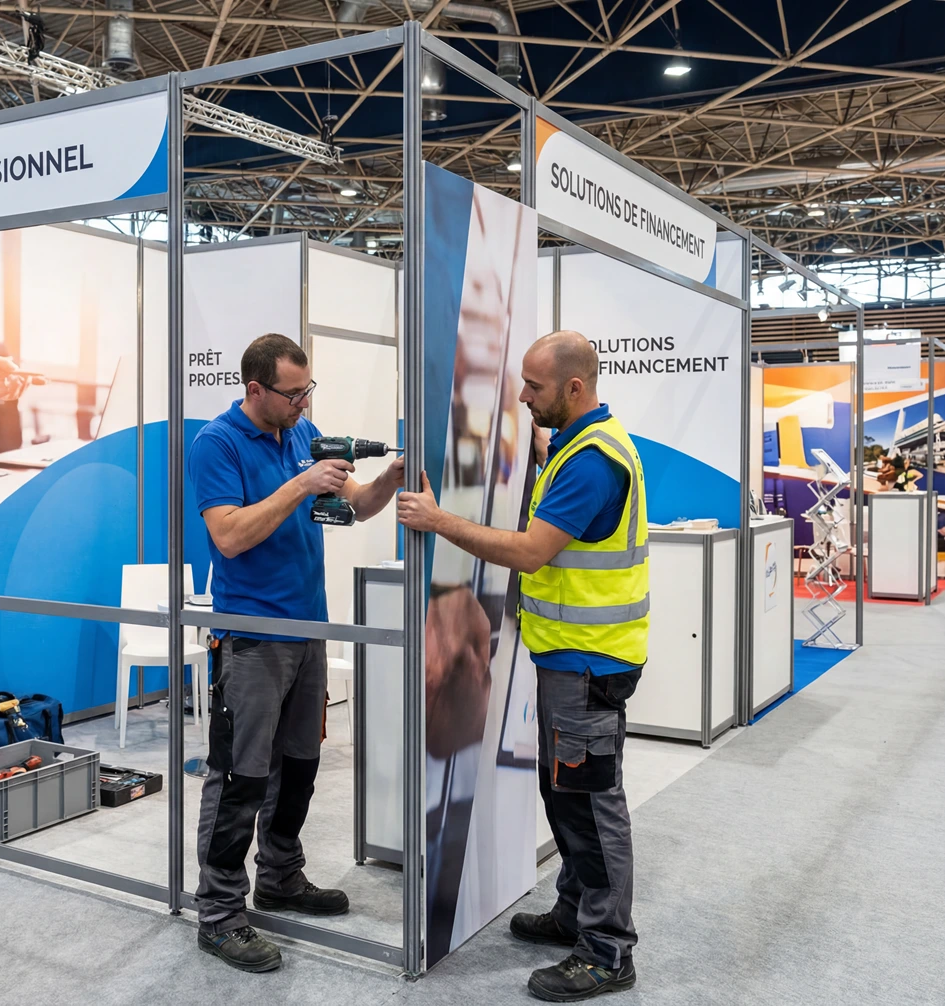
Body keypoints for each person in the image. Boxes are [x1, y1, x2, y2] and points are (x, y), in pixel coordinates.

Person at [398, 330, 647, 1003]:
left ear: (574, 388)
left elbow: (533, 551)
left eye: (534, 387)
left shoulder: (594, 461)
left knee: (592, 805)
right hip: (569, 659)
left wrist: (439, 520)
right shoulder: (577, 443)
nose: (522, 396)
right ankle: (576, 911)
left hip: (588, 664)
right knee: (564, 792)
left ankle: (607, 949)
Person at [188, 333, 404, 973]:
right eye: (292, 393)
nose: (304, 403)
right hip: (251, 638)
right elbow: (228, 537)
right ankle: (221, 912)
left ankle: (280, 875)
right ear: (255, 389)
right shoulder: (218, 444)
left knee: (300, 769)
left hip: (307, 629)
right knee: (239, 778)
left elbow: (353, 508)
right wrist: (299, 484)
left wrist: (388, 481)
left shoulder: (300, 437)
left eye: (309, 390)